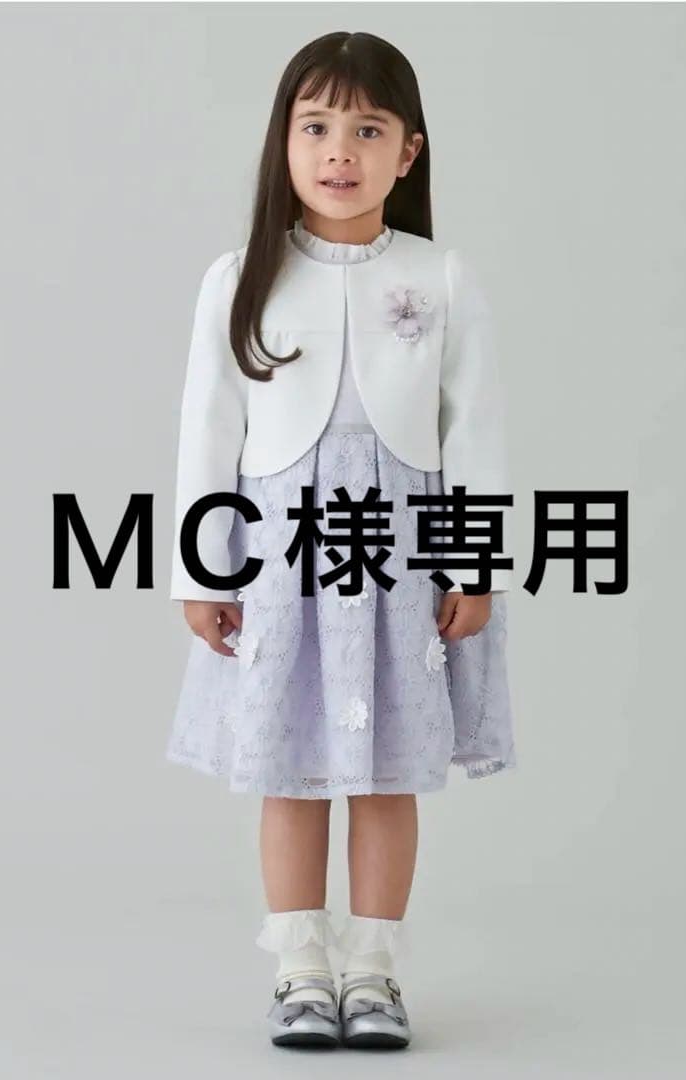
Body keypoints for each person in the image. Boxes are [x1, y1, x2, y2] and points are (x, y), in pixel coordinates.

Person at [166, 31, 517, 1050]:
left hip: (398, 550)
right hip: (282, 555)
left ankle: (372, 970)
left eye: (367, 130)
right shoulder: (241, 276)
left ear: (407, 151)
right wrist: (202, 569)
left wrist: (476, 564)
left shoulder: (439, 276)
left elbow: (474, 432)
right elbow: (208, 433)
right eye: (315, 126)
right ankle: (300, 969)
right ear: (283, 141)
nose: (338, 151)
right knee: (289, 768)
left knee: (386, 770)